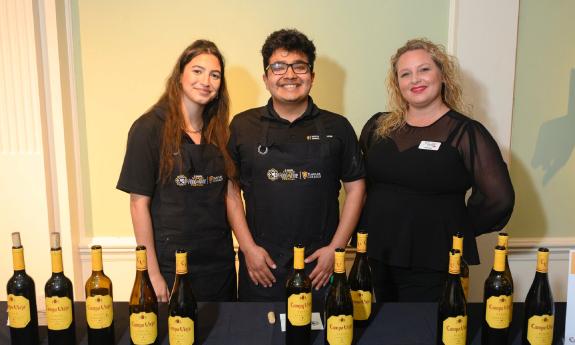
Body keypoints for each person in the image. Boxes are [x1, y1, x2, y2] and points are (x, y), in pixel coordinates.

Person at [359, 38, 514, 302]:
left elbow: (499, 198)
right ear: (397, 83)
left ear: (443, 74)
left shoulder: (466, 133)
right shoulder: (377, 126)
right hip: (377, 251)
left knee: (424, 331)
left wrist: (456, 229)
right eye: (405, 74)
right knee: (384, 327)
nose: (415, 79)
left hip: (434, 257)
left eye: (424, 69)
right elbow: (362, 186)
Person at [227, 29, 366, 301]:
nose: (289, 75)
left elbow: (357, 189)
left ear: (312, 77)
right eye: (278, 67)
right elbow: (230, 191)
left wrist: (336, 251)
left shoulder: (337, 127)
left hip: (321, 267)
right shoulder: (242, 126)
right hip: (261, 265)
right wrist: (247, 248)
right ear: (266, 78)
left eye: (299, 66)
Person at [117, 40, 236, 302]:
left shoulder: (220, 132)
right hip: (172, 268)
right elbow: (138, 205)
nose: (206, 80)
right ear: (179, 76)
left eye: (215, 75)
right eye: (197, 71)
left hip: (220, 267)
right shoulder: (147, 129)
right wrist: (153, 274)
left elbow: (230, 195)